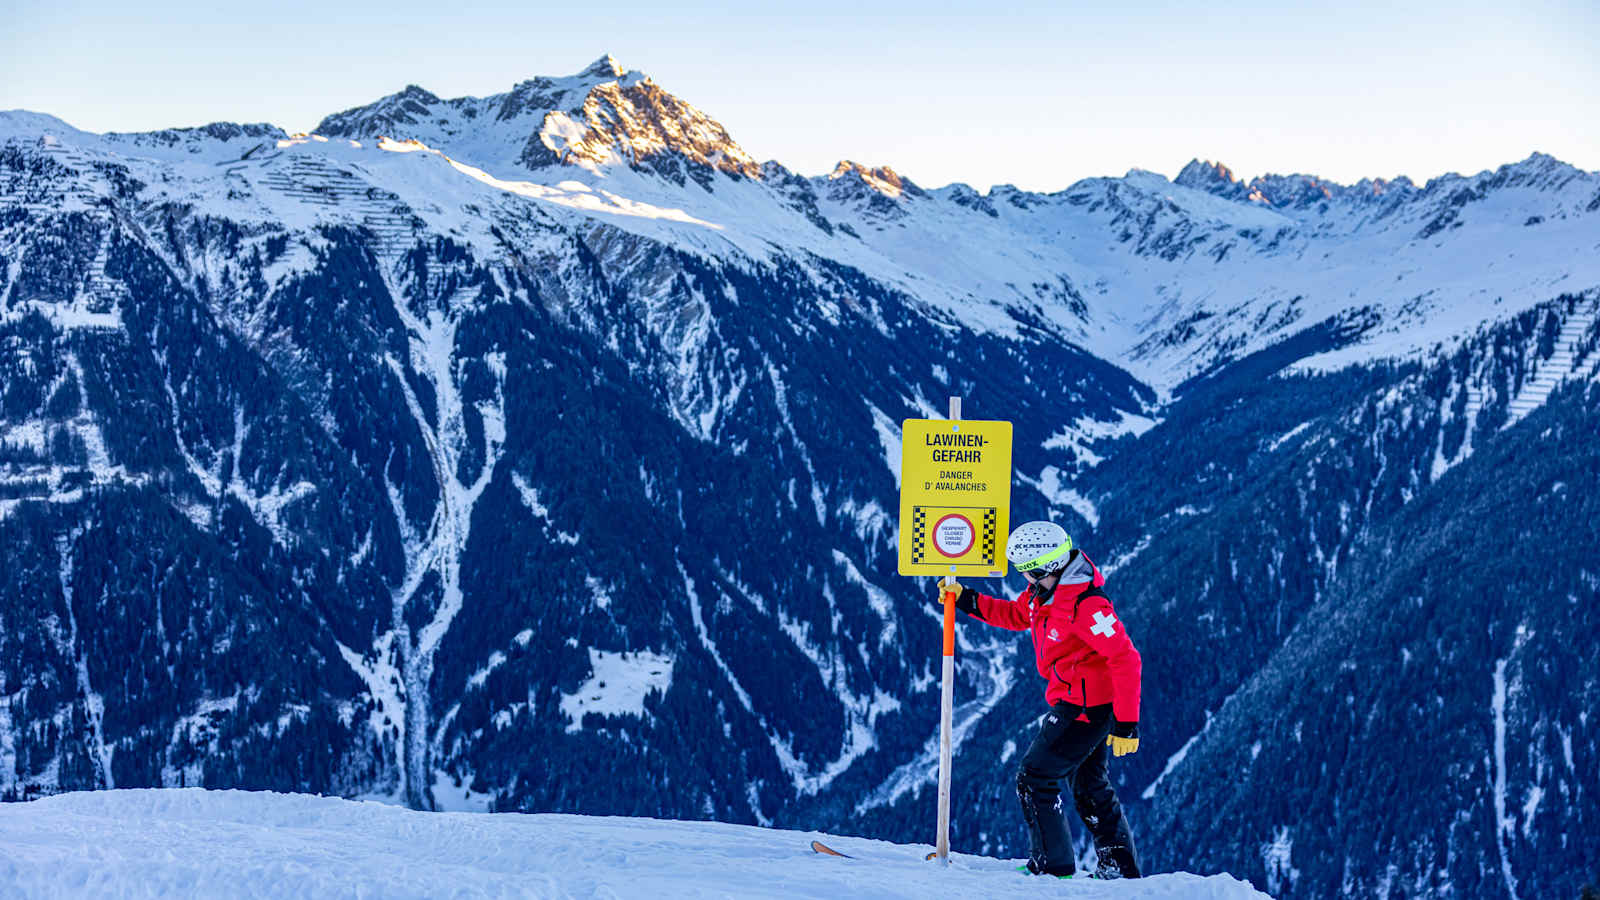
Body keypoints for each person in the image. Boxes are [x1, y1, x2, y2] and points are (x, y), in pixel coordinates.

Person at [940, 520, 1143, 879]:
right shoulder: (1044, 595)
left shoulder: (1086, 605)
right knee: (1088, 783)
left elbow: (1125, 657)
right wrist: (968, 600)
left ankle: (1052, 865)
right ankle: (1119, 867)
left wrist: (1126, 724)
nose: (1025, 581)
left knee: (1034, 776)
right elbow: (1018, 615)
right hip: (1077, 700)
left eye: (1028, 572)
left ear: (1048, 567)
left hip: (1085, 708)